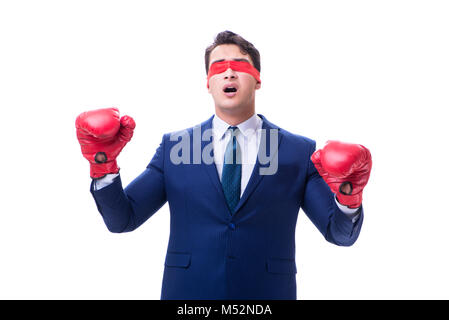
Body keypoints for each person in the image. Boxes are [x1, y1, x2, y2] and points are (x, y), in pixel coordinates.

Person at [75, 30, 372, 300]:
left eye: (239, 65)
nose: (229, 72)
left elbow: (339, 234)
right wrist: (104, 164)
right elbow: (122, 220)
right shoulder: (175, 148)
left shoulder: (297, 151)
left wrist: (349, 196)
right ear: (208, 83)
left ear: (257, 78)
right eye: (218, 67)